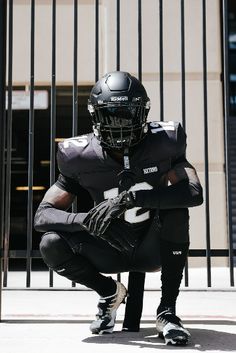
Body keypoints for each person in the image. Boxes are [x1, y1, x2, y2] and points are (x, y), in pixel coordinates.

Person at [34, 71, 203, 345]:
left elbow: (193, 192)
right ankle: (110, 292)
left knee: (177, 211)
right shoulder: (78, 154)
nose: (120, 124)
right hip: (107, 247)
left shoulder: (165, 142)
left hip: (152, 245)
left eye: (127, 115)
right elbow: (43, 215)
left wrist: (131, 199)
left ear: (143, 113)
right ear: (95, 116)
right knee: (50, 243)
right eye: (111, 115)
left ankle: (167, 311)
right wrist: (87, 220)